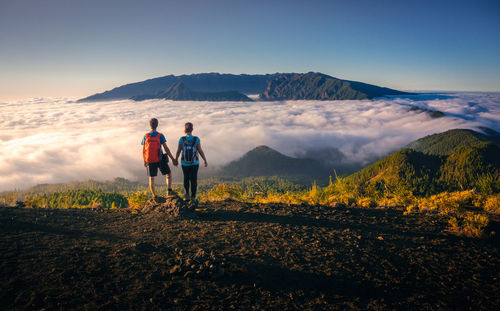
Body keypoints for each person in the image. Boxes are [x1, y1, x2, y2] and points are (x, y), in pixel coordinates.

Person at [142, 118, 177, 199]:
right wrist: (172, 159)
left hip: (150, 160)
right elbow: (166, 148)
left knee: (152, 178)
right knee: (168, 174)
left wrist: (144, 161)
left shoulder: (146, 136)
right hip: (160, 159)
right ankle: (169, 190)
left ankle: (154, 196)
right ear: (157, 125)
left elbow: (143, 150)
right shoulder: (160, 135)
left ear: (150, 125)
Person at [174, 122, 207, 202]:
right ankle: (193, 197)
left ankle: (187, 195)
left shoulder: (182, 139)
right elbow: (200, 150)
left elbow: (178, 150)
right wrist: (205, 160)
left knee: (186, 178)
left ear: (185, 130)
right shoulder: (196, 139)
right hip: (194, 163)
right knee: (193, 179)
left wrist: (176, 159)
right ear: (192, 129)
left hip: (184, 163)